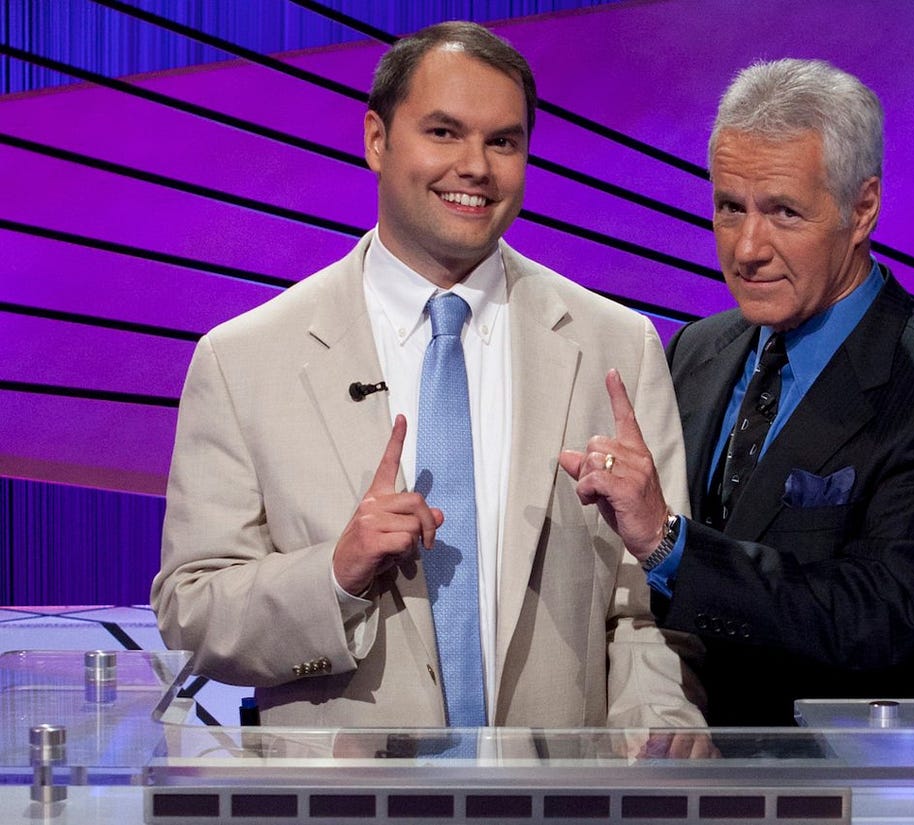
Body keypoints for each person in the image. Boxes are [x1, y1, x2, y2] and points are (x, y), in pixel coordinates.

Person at [151, 21, 708, 736]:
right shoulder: (244, 360)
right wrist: (334, 576)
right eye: (444, 133)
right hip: (345, 791)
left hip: (562, 789)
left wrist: (654, 732)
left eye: (503, 141)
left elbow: (650, 608)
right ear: (376, 140)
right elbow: (192, 608)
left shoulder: (617, 345)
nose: (475, 166)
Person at [560, 58, 914, 727]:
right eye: (730, 207)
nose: (747, 248)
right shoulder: (695, 350)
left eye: (783, 211)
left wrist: (670, 544)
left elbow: (879, 618)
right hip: (678, 762)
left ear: (862, 208)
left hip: (844, 774)